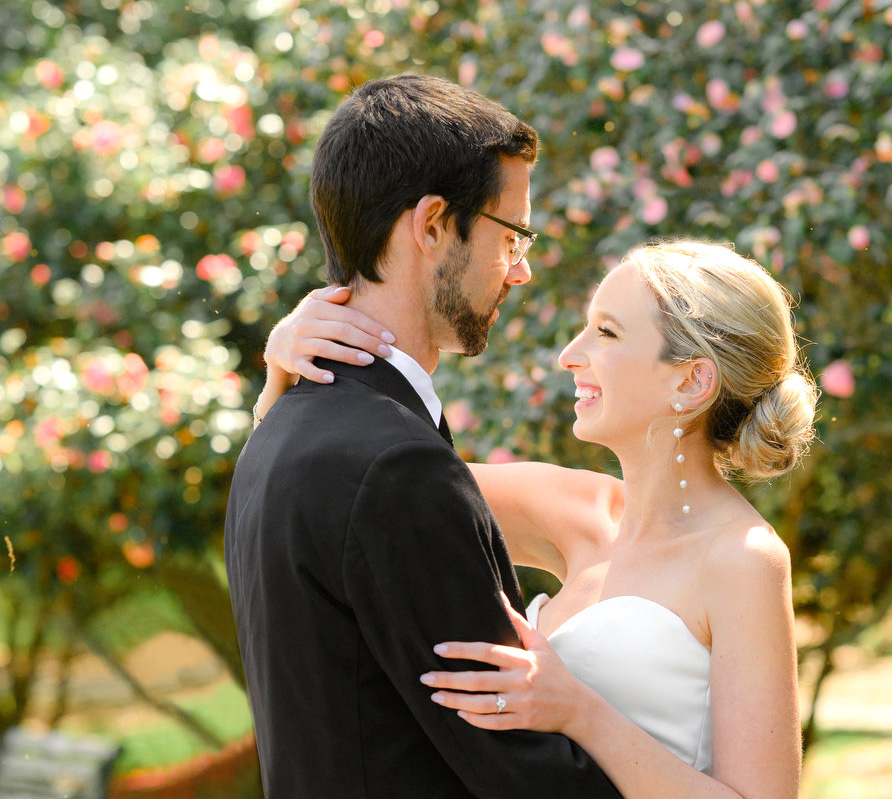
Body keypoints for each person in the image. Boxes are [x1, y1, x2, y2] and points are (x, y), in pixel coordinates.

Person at [260, 239, 818, 799]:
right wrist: (285, 364)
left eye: (607, 332)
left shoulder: (743, 557)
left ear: (691, 381)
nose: (570, 354)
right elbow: (351, 489)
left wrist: (580, 713)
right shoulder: (570, 507)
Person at [224, 74, 622, 798]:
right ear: (433, 224)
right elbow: (520, 770)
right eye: (513, 235)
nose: (522, 271)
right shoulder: (395, 464)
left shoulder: (277, 430)